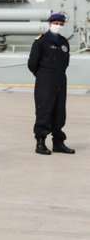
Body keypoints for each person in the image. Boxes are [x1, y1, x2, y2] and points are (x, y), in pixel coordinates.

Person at [28, 13, 75, 155]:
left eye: (61, 24)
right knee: (44, 110)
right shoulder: (41, 41)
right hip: (45, 80)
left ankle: (58, 142)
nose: (58, 26)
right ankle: (40, 142)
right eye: (56, 23)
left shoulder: (63, 42)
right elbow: (32, 63)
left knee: (60, 111)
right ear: (50, 23)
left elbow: (65, 62)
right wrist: (42, 75)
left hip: (60, 79)